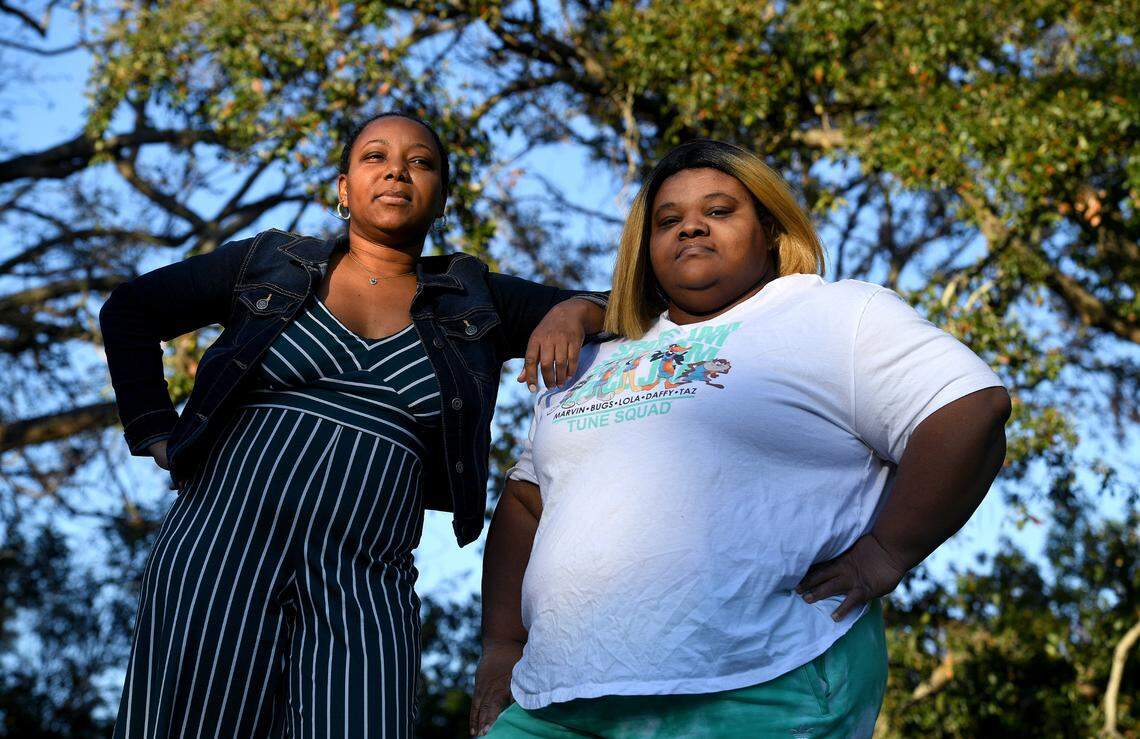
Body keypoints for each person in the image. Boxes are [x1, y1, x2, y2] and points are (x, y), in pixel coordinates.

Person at [472, 139, 1011, 738]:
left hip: (761, 681)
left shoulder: (833, 314)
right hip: (562, 695)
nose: (691, 227)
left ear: (771, 230)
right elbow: (526, 501)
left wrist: (886, 553)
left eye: (720, 210)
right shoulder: (595, 355)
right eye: (667, 220)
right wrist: (501, 643)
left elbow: (968, 409)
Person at [99, 111, 608, 738]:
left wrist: (574, 312)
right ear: (343, 188)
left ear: (442, 197)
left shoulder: (474, 295)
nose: (397, 169)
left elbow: (624, 309)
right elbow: (130, 311)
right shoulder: (268, 262)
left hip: (366, 576)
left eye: (420, 162)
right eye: (375, 156)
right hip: (220, 548)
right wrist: (156, 432)